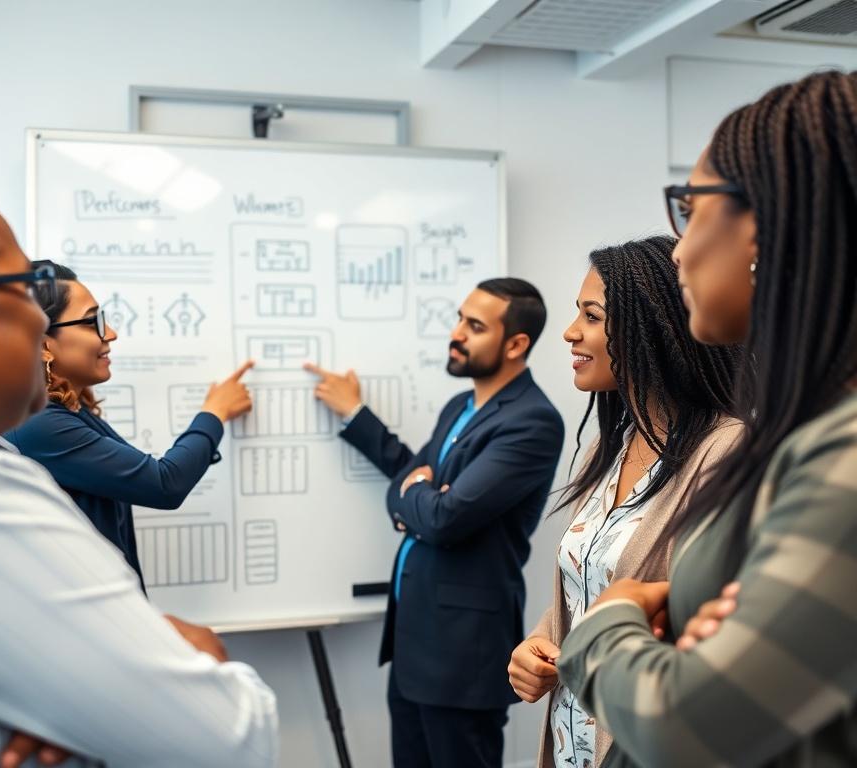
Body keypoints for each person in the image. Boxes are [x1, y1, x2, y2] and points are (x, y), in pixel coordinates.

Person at [0, 153, 277, 767]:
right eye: (20, 289)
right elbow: (233, 741)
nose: (39, 323)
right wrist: (194, 651)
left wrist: (45, 702)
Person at [555, 70, 857, 767]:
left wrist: (610, 621)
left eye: (690, 211)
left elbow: (687, 727)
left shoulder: (840, 455)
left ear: (772, 222)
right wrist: (683, 609)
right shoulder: (805, 436)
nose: (680, 249)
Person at [306, 278, 564, 768]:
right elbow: (412, 482)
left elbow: (445, 520)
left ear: (515, 344)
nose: (456, 333)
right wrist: (364, 423)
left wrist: (418, 497)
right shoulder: (459, 408)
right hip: (413, 644)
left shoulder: (532, 421)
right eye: (459, 319)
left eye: (474, 325)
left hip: (462, 655)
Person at [505, 236, 741, 768]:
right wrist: (541, 642)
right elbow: (594, 581)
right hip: (574, 747)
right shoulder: (614, 446)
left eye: (592, 315)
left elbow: (721, 607)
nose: (570, 333)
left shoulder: (727, 451)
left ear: (653, 329)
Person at [5, 259, 253, 592]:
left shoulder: (67, 409)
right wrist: (215, 411)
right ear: (44, 343)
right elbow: (165, 483)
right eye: (93, 321)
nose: (110, 333)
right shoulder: (38, 423)